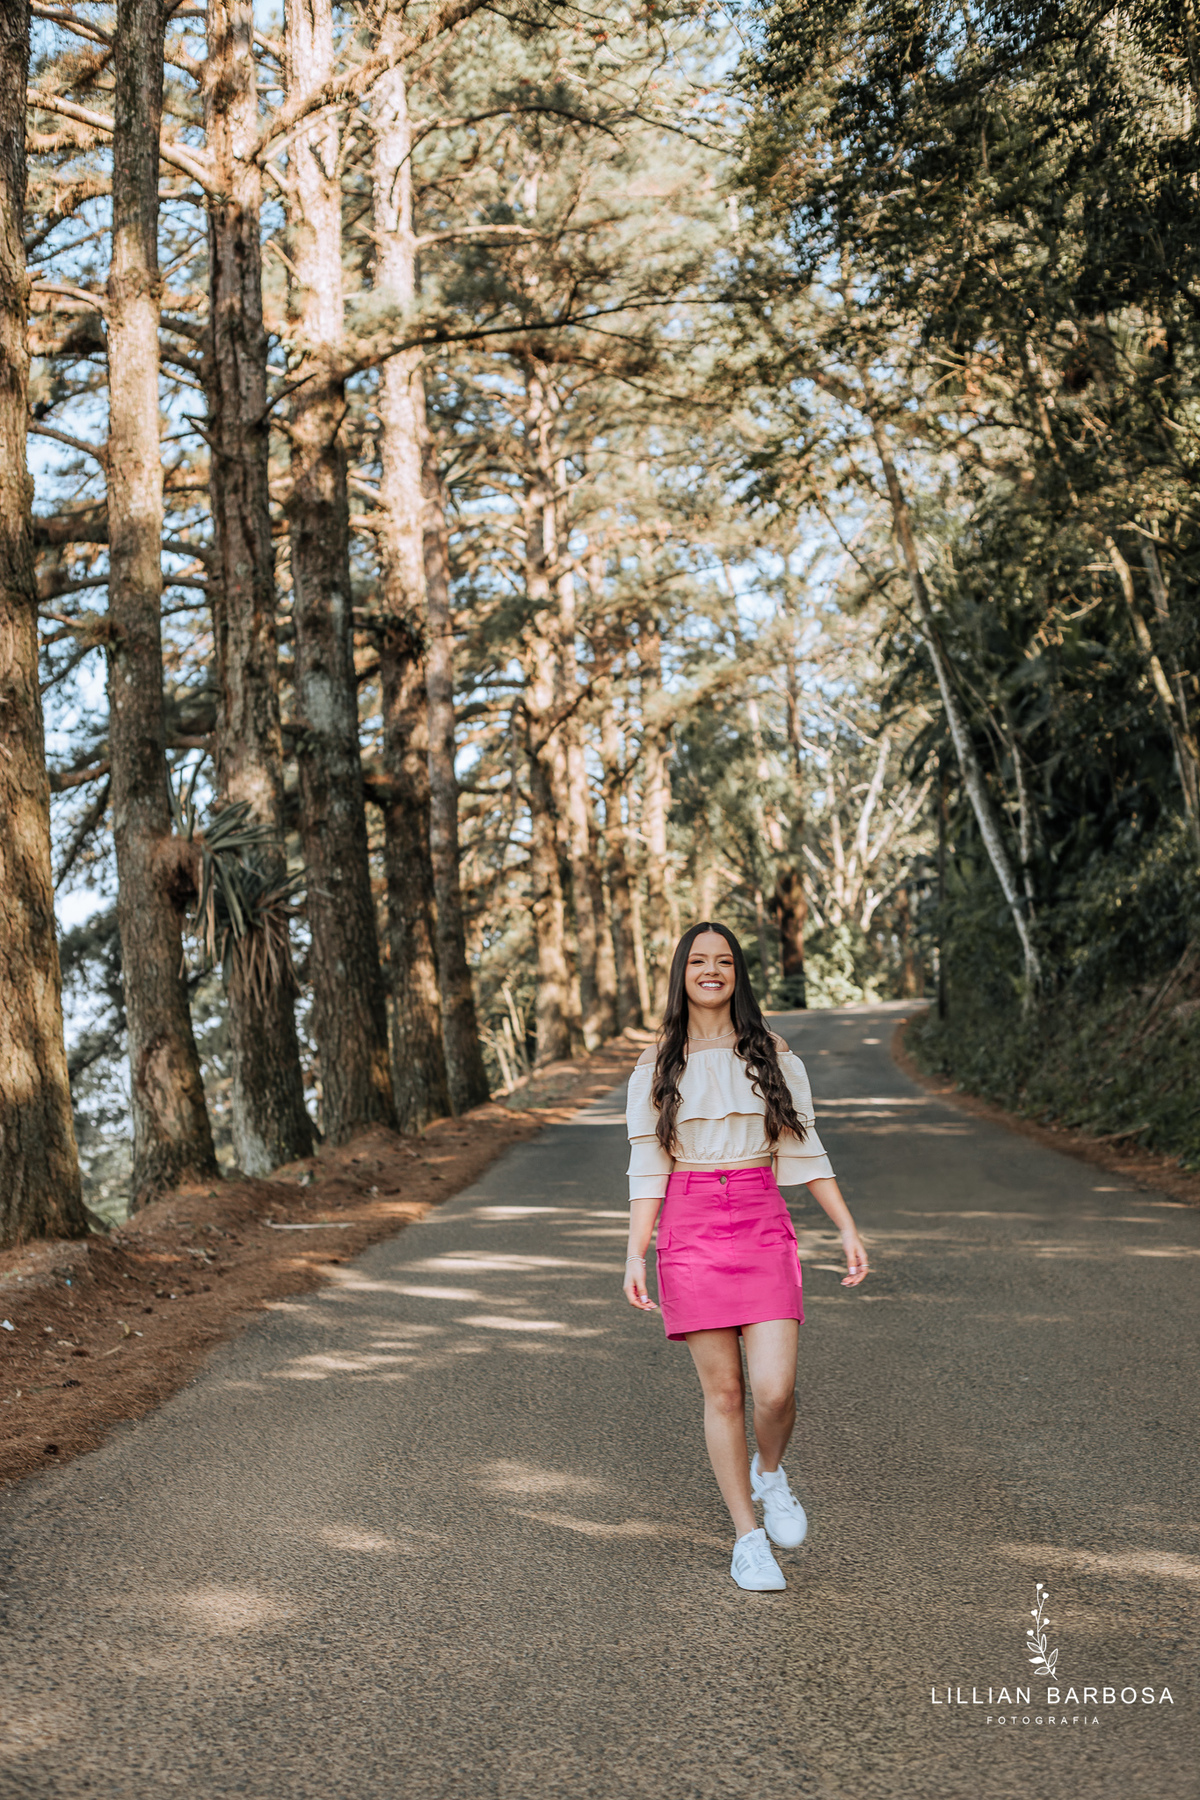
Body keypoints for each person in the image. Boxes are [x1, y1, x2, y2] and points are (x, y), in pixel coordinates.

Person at [623, 921, 869, 1591]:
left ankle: (770, 1474)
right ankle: (747, 1538)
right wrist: (634, 1254)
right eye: (698, 960)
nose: (711, 970)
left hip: (762, 1218)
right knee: (724, 1392)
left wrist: (845, 1226)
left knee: (774, 1389)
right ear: (681, 973)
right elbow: (647, 1169)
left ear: (737, 973)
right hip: (691, 1226)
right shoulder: (655, 1065)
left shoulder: (774, 1054)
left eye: (723, 961)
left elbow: (805, 1148)